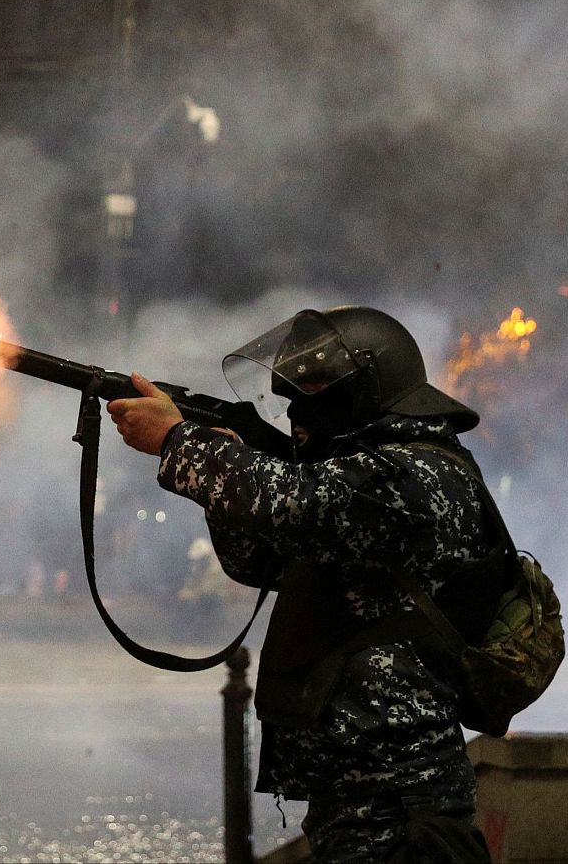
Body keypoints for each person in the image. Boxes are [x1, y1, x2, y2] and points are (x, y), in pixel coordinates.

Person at [107, 306, 495, 863]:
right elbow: (258, 560)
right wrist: (220, 456)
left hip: (402, 802)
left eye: (313, 391)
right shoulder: (364, 471)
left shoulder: (421, 473)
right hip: (357, 796)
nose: (295, 411)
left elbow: (296, 505)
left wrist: (179, 440)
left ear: (366, 388)